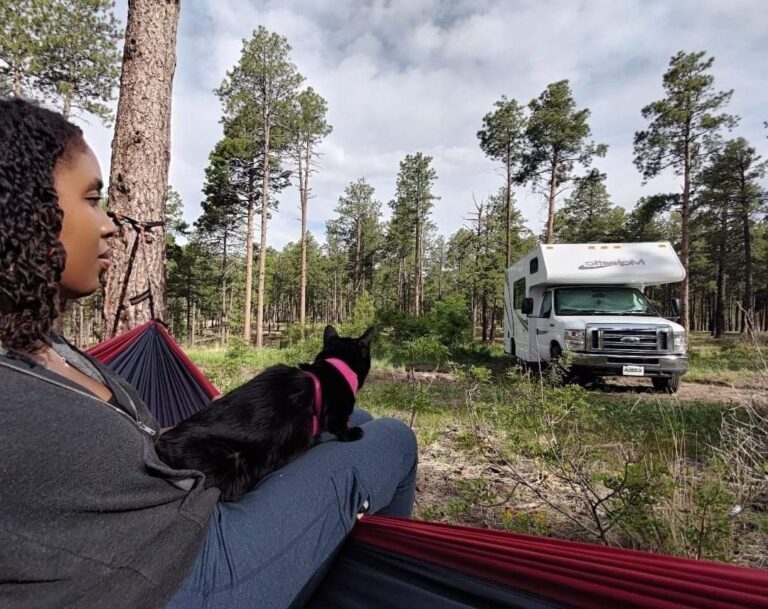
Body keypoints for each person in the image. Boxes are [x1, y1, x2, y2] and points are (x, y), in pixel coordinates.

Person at [0, 98, 418, 609]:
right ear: (24, 210)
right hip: (174, 572)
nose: (109, 224)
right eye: (91, 199)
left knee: (359, 419)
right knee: (395, 438)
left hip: (183, 508)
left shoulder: (43, 345)